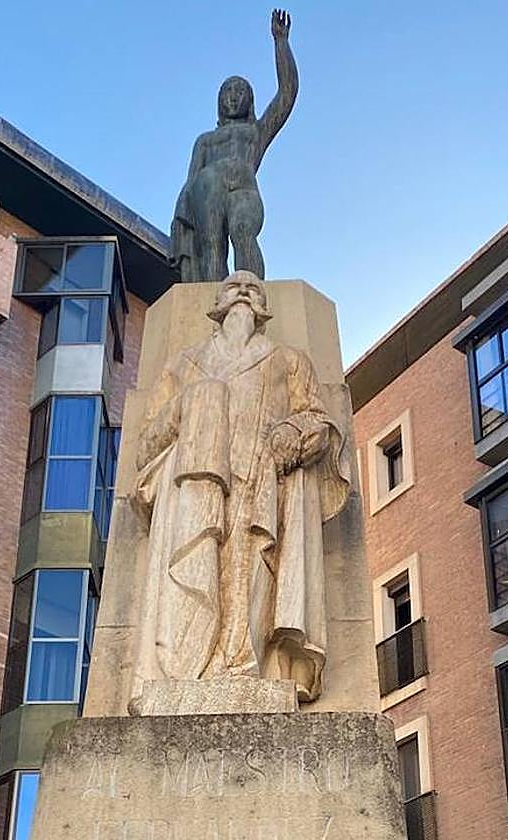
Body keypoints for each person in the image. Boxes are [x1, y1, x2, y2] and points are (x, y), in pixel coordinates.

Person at [130, 271, 350, 708]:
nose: (245, 292)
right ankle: (187, 668)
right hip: (194, 489)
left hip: (262, 485)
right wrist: (193, 402)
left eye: (253, 289)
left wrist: (294, 432)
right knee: (195, 570)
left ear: (264, 310)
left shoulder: (288, 360)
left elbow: (318, 421)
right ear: (218, 306)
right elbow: (147, 444)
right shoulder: (184, 364)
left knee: (251, 576)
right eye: (234, 287)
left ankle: (240, 668)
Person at [170, 10, 298, 282]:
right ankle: (214, 302)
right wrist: (181, 221)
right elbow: (191, 181)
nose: (233, 96)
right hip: (207, 188)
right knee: (211, 245)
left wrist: (281, 43)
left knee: (243, 230)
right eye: (227, 91)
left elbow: (287, 94)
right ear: (219, 100)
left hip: (244, 187)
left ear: (250, 100)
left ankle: (250, 293)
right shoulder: (205, 140)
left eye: (240, 91)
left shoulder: (256, 131)